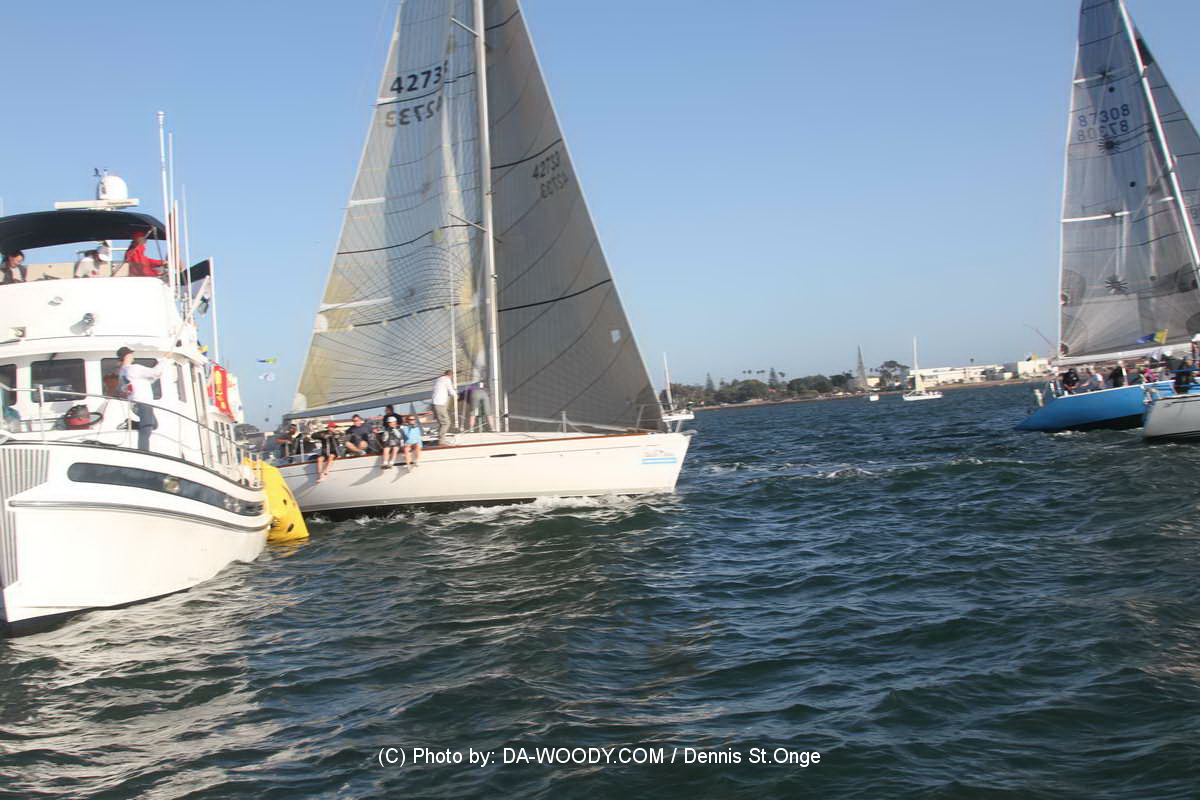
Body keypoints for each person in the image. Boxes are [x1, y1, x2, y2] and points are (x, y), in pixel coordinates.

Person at [117, 346, 163, 451]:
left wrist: (155, 377)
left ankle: (131, 423)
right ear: (127, 356)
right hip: (142, 402)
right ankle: (143, 451)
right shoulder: (133, 368)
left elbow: (130, 386)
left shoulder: (122, 372)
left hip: (134, 403)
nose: (132, 356)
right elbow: (155, 372)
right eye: (131, 354)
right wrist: (165, 360)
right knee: (146, 428)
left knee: (154, 425)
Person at [431, 369, 454, 443]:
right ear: (451, 375)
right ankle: (441, 441)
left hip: (435, 404)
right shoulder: (447, 379)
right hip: (440, 404)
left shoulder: (438, 380)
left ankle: (439, 439)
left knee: (442, 423)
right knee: (446, 423)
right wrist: (457, 395)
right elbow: (451, 391)